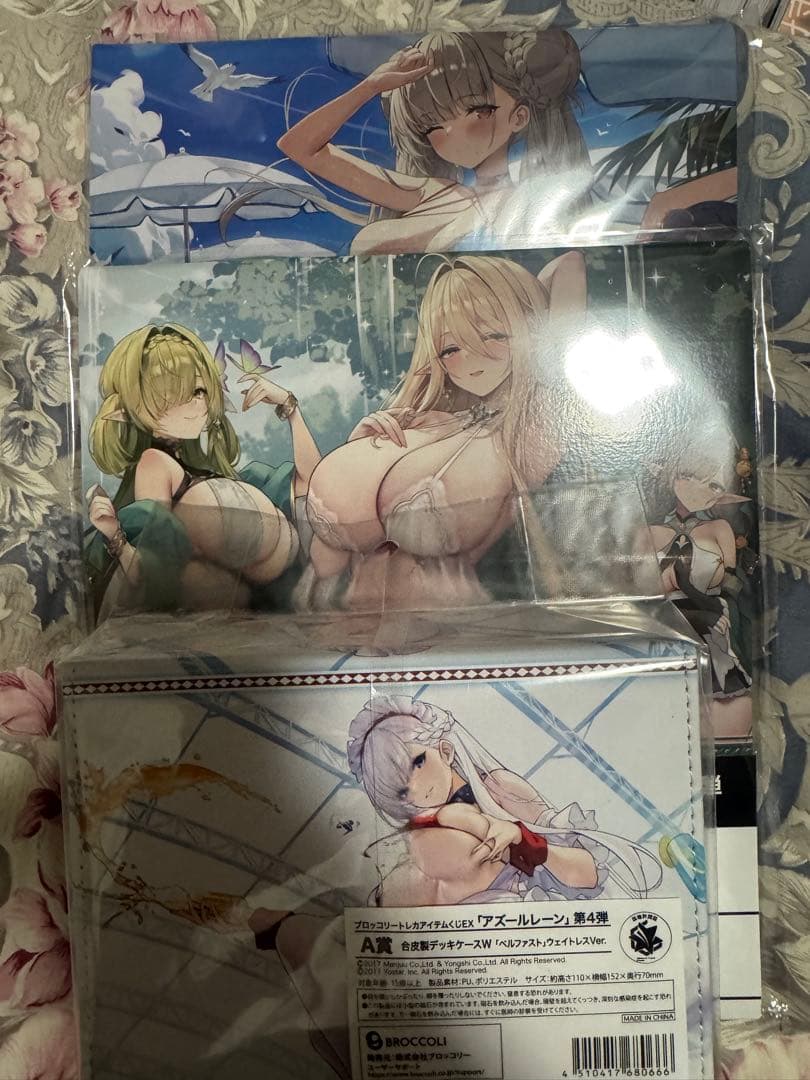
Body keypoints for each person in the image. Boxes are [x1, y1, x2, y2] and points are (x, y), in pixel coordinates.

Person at [289, 251, 585, 612]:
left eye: (493, 335)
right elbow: (326, 561)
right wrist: (360, 445)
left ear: (531, 333)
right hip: (350, 614)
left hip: (443, 621)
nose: (471, 359)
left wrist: (518, 299)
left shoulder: (533, 423)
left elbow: (570, 264)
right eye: (451, 348)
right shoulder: (444, 419)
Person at [276, 30, 592, 254]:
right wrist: (371, 86)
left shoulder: (537, 206)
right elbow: (299, 147)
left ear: (519, 117)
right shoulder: (431, 193)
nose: (450, 132)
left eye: (476, 110)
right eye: (431, 125)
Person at [85, 323, 319, 615]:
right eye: (172, 394)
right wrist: (116, 539)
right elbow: (153, 566)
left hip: (281, 590)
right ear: (133, 409)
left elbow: (316, 482)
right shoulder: (154, 462)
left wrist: (290, 407)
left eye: (198, 390)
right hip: (242, 606)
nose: (197, 404)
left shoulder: (196, 468)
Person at [645, 437, 753, 739]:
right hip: (662, 626)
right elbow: (635, 589)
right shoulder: (648, 532)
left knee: (726, 705)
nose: (708, 491)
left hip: (712, 623)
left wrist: (702, 597)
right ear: (676, 479)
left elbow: (731, 583)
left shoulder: (719, 528)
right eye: (696, 478)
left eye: (716, 486)